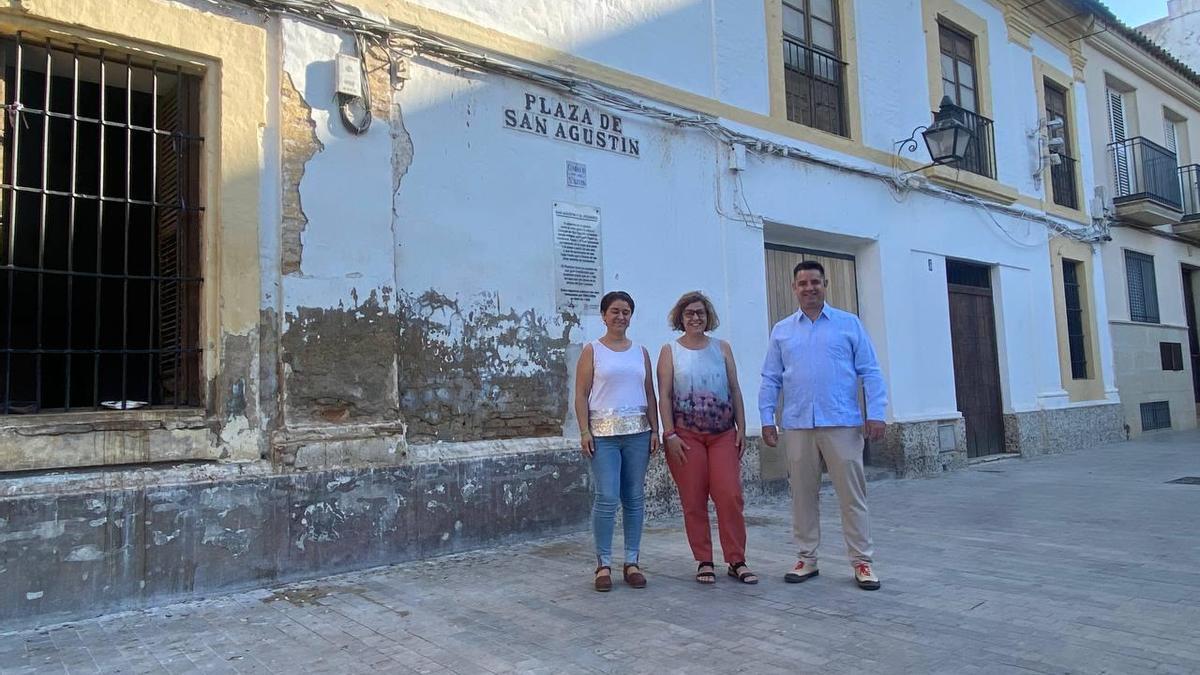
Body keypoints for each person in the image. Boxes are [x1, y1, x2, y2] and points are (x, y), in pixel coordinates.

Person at [758, 260, 887, 591]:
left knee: (851, 495)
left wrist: (876, 412)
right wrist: (766, 417)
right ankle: (806, 558)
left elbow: (870, 371)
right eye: (802, 283)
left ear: (825, 284)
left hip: (841, 422)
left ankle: (862, 561)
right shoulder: (783, 330)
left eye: (815, 282)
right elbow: (771, 377)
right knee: (802, 495)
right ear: (794, 288)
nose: (809, 288)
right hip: (798, 424)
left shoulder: (848, 324)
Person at [656, 291, 757, 585]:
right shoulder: (669, 351)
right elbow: (663, 394)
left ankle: (736, 559)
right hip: (686, 436)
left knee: (729, 495)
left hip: (723, 434)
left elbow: (735, 389)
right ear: (680, 318)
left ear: (707, 316)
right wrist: (669, 433)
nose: (695, 318)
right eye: (689, 314)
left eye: (700, 313)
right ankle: (704, 560)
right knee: (693, 499)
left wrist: (741, 427)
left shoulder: (722, 348)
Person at [574, 291, 660, 592]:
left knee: (634, 498)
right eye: (615, 311)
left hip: (638, 433)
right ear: (603, 315)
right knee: (607, 497)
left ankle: (632, 561)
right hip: (603, 436)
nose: (620, 317)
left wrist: (655, 430)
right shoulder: (592, 351)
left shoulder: (641, 352)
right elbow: (581, 394)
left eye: (626, 312)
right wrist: (584, 431)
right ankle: (603, 563)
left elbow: (650, 393)